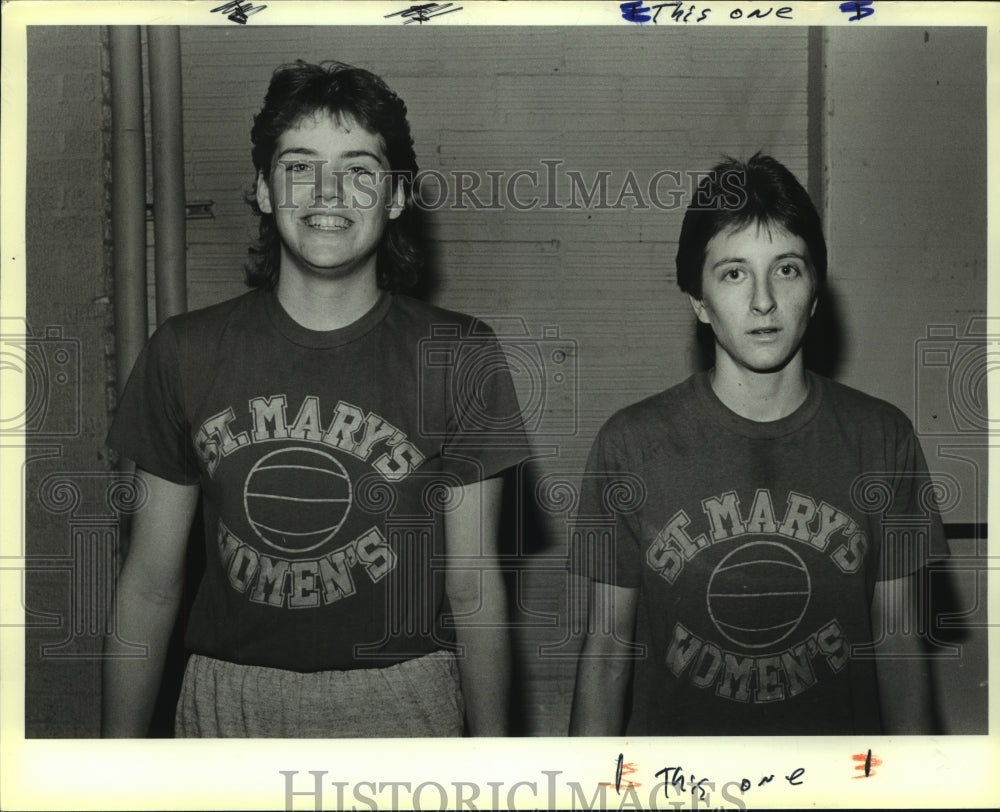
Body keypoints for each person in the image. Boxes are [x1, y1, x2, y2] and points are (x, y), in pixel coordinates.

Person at [102, 60, 528, 738]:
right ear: (265, 191)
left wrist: (497, 767)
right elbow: (150, 584)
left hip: (406, 698)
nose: (328, 190)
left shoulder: (460, 354)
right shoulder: (184, 351)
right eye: (299, 165)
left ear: (394, 198)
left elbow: (473, 586)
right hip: (226, 700)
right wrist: (112, 769)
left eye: (359, 169)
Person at [569, 153, 945, 736]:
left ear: (815, 290)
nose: (764, 301)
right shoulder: (632, 445)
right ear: (698, 300)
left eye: (787, 269)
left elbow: (899, 648)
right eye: (734, 273)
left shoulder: (882, 438)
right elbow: (606, 654)